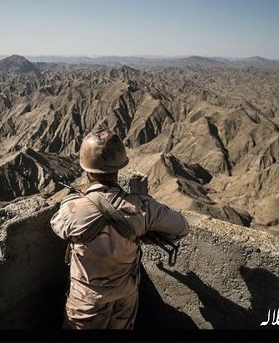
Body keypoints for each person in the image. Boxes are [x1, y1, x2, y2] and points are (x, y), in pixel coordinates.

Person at [50, 129, 189, 329]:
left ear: (87, 171)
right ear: (119, 167)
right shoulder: (143, 208)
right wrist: (145, 231)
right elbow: (182, 228)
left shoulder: (72, 210)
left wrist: (77, 198)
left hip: (87, 302)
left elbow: (57, 227)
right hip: (126, 297)